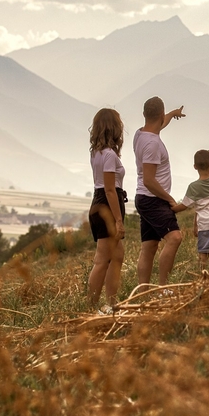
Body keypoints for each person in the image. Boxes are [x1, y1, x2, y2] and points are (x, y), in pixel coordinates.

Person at [132, 96, 186, 289]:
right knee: (175, 238)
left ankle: (143, 293)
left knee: (149, 246)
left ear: (144, 115)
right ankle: (163, 289)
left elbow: (159, 124)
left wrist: (172, 114)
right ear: (160, 115)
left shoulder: (140, 134)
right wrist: (170, 199)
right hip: (153, 199)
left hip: (143, 198)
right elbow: (149, 180)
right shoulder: (153, 144)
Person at [87, 108, 126, 314]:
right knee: (103, 258)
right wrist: (118, 220)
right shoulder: (109, 155)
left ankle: (111, 304)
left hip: (98, 202)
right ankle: (91, 307)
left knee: (117, 255)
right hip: (108, 204)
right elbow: (110, 189)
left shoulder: (96, 153)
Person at [173, 150, 209, 273]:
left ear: (195, 167)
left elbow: (183, 206)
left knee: (203, 253)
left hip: (205, 225)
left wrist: (172, 209)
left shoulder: (193, 187)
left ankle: (202, 276)